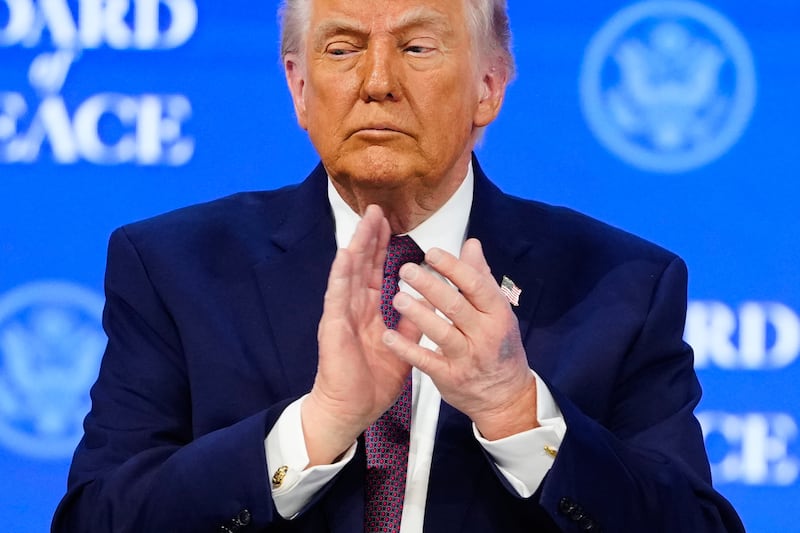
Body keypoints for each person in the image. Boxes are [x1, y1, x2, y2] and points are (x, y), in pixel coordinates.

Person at [52, 0, 746, 531]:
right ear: (298, 87)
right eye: (342, 47)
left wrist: (519, 414)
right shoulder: (174, 268)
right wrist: (314, 427)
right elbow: (94, 519)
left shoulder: (622, 287)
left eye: (416, 46)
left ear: (489, 87)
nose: (376, 81)